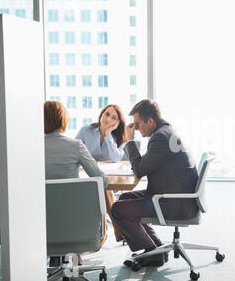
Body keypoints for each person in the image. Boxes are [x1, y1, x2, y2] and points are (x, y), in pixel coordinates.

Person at [111, 99, 199, 268]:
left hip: (173, 202)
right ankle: (157, 249)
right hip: (176, 195)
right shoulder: (166, 131)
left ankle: (151, 252)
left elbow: (140, 169)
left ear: (150, 121)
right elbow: (149, 163)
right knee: (124, 198)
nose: (136, 128)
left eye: (138, 124)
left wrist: (130, 142)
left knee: (117, 210)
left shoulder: (159, 138)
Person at [44, 101, 109, 252]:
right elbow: (102, 182)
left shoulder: (31, 148)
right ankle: (75, 256)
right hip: (77, 226)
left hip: (41, 227)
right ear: (64, 120)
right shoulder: (76, 145)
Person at [75, 104, 127, 242]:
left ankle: (105, 233)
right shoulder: (86, 130)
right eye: (106, 114)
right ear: (101, 114)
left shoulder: (119, 137)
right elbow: (74, 151)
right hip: (87, 176)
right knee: (101, 186)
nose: (107, 119)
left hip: (110, 181)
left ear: (117, 123)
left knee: (103, 186)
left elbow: (116, 158)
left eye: (113, 117)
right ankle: (117, 229)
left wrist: (109, 135)